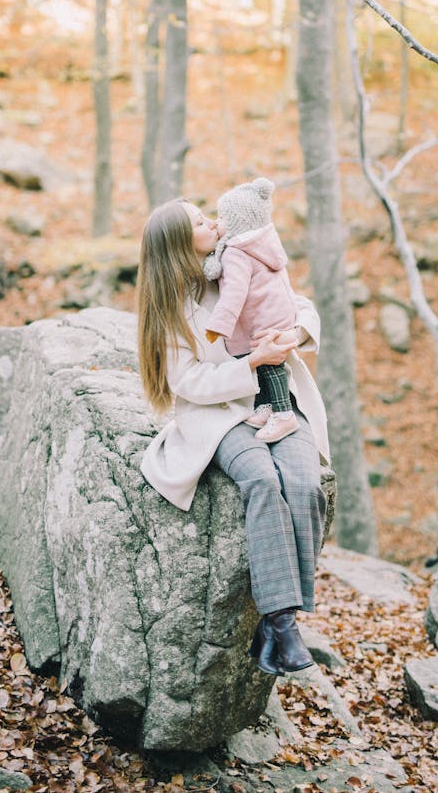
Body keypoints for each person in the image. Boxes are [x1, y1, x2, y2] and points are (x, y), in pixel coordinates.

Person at [137, 197, 331, 676]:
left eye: (208, 215)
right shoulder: (172, 307)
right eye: (201, 223)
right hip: (219, 416)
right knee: (262, 481)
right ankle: (283, 624)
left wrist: (294, 335)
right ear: (182, 246)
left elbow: (297, 303)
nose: (214, 222)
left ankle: (274, 630)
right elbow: (189, 384)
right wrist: (252, 365)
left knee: (305, 485)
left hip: (278, 401)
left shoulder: (239, 257)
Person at [203, 177, 299, 445]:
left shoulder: (236, 253)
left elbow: (234, 293)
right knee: (263, 362)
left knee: (268, 364)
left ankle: (283, 413)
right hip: (277, 313)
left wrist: (218, 326)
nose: (216, 222)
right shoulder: (262, 243)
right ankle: (266, 405)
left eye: (222, 217)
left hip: (265, 320)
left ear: (237, 223)